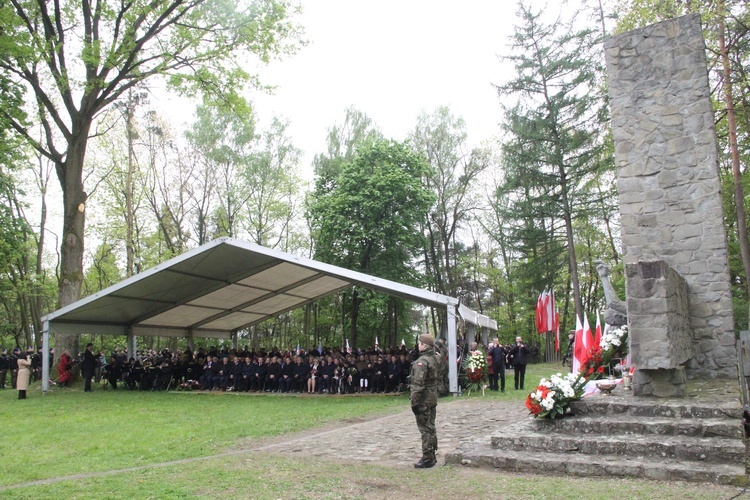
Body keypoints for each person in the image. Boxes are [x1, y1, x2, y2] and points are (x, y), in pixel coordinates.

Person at [410, 333, 439, 469]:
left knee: (425, 428)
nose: (418, 345)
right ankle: (432, 454)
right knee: (430, 426)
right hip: (432, 397)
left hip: (424, 400)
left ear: (424, 345)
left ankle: (427, 457)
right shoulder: (434, 358)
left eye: (420, 343)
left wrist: (414, 402)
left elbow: (418, 384)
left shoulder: (422, 362)